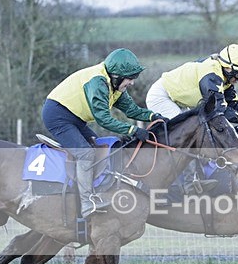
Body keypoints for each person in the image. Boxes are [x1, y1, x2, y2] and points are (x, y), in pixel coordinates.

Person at [42, 48, 164, 217]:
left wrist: (153, 115)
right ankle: (85, 203)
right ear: (117, 76)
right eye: (130, 79)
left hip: (74, 116)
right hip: (57, 115)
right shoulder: (99, 84)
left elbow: (131, 110)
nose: (132, 83)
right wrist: (133, 130)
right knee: (86, 154)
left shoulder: (115, 85)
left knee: (99, 150)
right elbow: (104, 119)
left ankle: (93, 193)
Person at [146, 44, 238, 196]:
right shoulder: (212, 76)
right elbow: (220, 111)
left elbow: (233, 103)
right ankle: (189, 184)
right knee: (190, 136)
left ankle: (200, 176)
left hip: (178, 100)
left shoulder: (224, 76)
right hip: (163, 97)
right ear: (228, 67)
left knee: (200, 132)